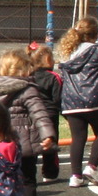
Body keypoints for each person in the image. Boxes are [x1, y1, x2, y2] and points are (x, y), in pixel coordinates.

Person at [0, 50, 58, 196]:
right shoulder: (28, 89)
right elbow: (39, 114)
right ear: (25, 69)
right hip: (23, 145)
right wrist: (48, 135)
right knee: (27, 181)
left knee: (1, 181)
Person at [57, 17, 98, 188]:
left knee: (78, 138)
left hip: (71, 101)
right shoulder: (97, 51)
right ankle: (92, 166)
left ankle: (75, 175)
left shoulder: (67, 53)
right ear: (96, 34)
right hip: (93, 100)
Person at [26, 46, 62, 182]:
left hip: (33, 114)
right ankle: (49, 172)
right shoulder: (53, 77)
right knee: (50, 143)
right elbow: (57, 98)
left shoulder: (29, 76)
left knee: (33, 142)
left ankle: (30, 171)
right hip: (50, 115)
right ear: (48, 60)